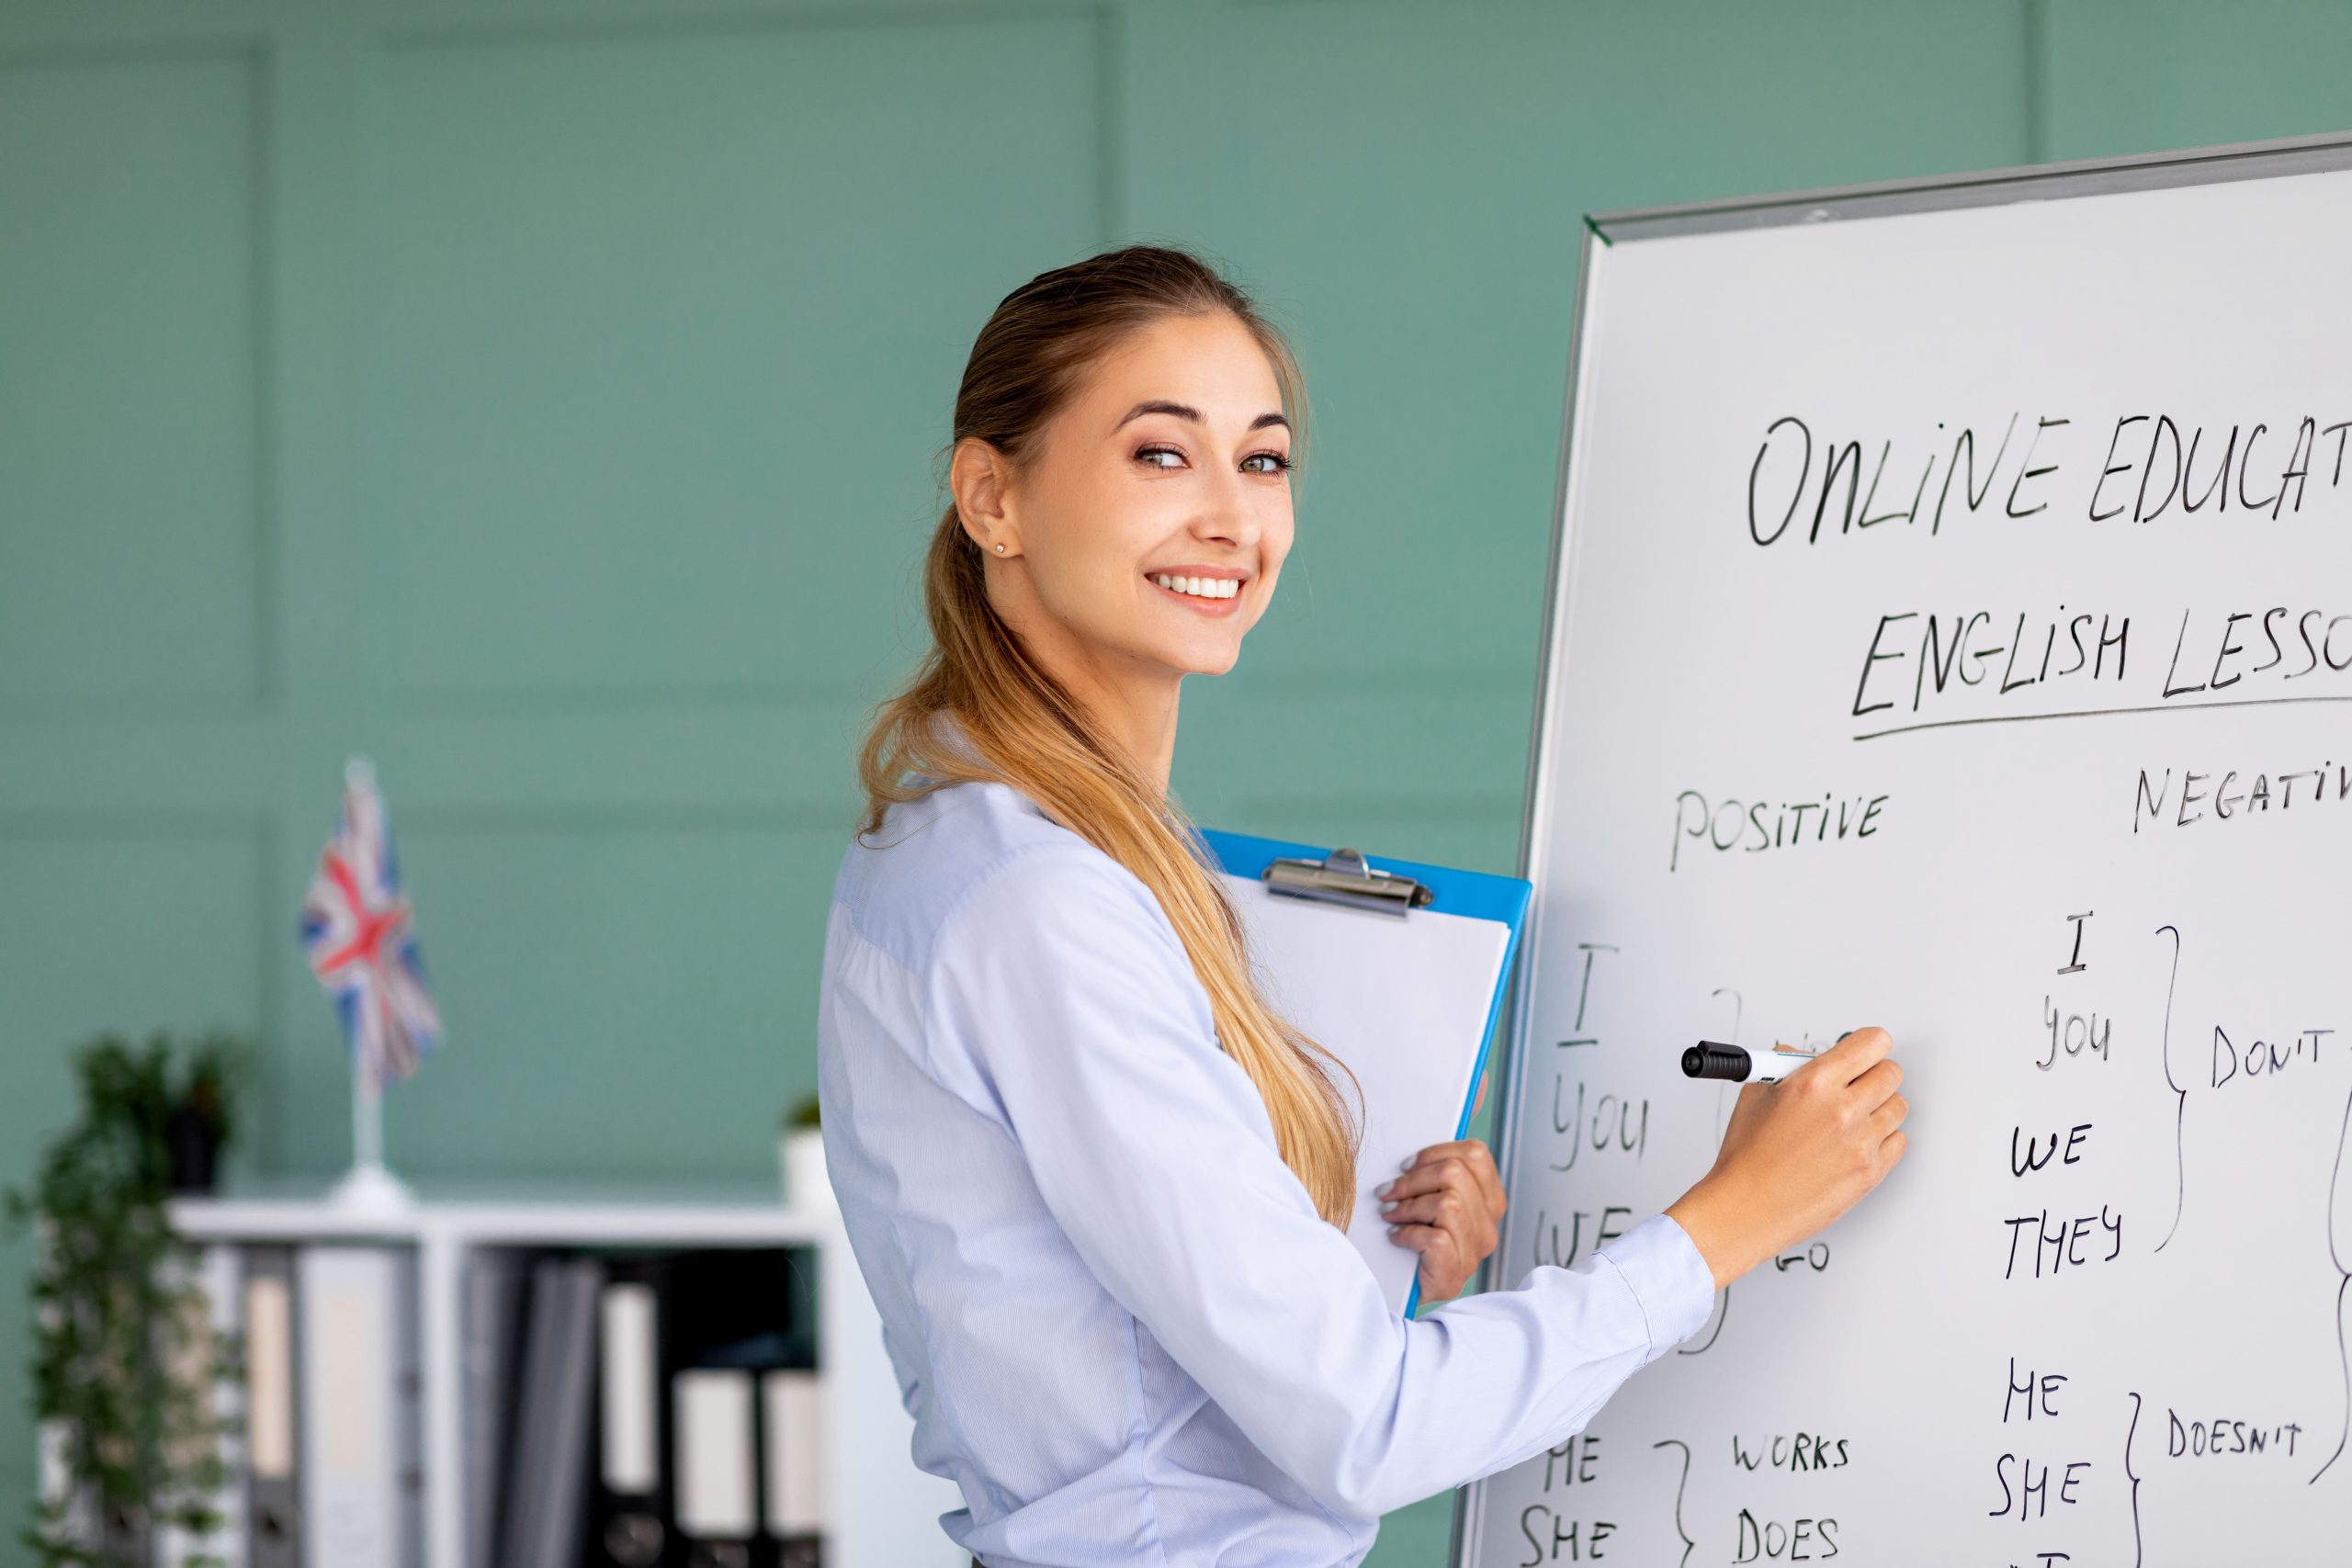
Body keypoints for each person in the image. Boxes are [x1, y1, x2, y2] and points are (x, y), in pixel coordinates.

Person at [814, 243, 1909, 1568]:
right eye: (1162, 455)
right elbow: (1365, 1428)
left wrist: (1360, 1266)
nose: (1233, 518)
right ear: (994, 496)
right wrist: (1733, 1218)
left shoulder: (970, 839)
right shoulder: (1046, 900)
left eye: (1263, 460)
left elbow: (1103, 1325)